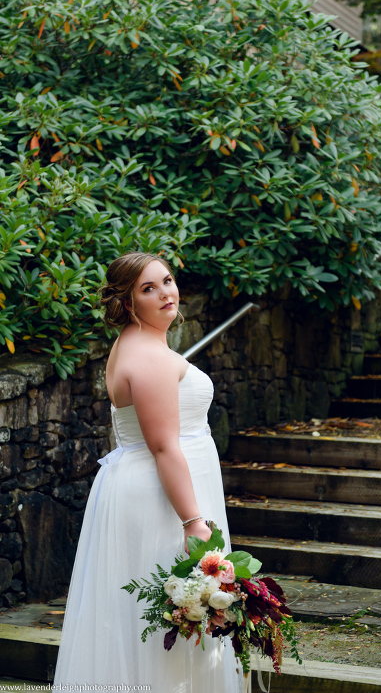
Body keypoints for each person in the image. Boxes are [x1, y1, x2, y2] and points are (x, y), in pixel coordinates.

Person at [53, 252, 244, 693]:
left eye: (168, 281)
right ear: (127, 301)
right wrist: (194, 521)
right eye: (148, 289)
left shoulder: (132, 342)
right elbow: (162, 445)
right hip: (164, 499)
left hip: (154, 487)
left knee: (151, 618)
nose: (165, 293)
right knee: (168, 619)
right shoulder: (149, 356)